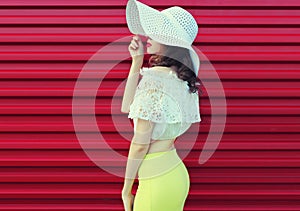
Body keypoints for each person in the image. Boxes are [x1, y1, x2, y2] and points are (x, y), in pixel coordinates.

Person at [121, 0, 202, 210]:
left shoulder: (155, 80)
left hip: (155, 180)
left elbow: (139, 145)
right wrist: (136, 62)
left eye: (156, 31)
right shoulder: (182, 81)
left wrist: (126, 189)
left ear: (169, 41)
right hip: (175, 173)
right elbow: (128, 108)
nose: (148, 36)